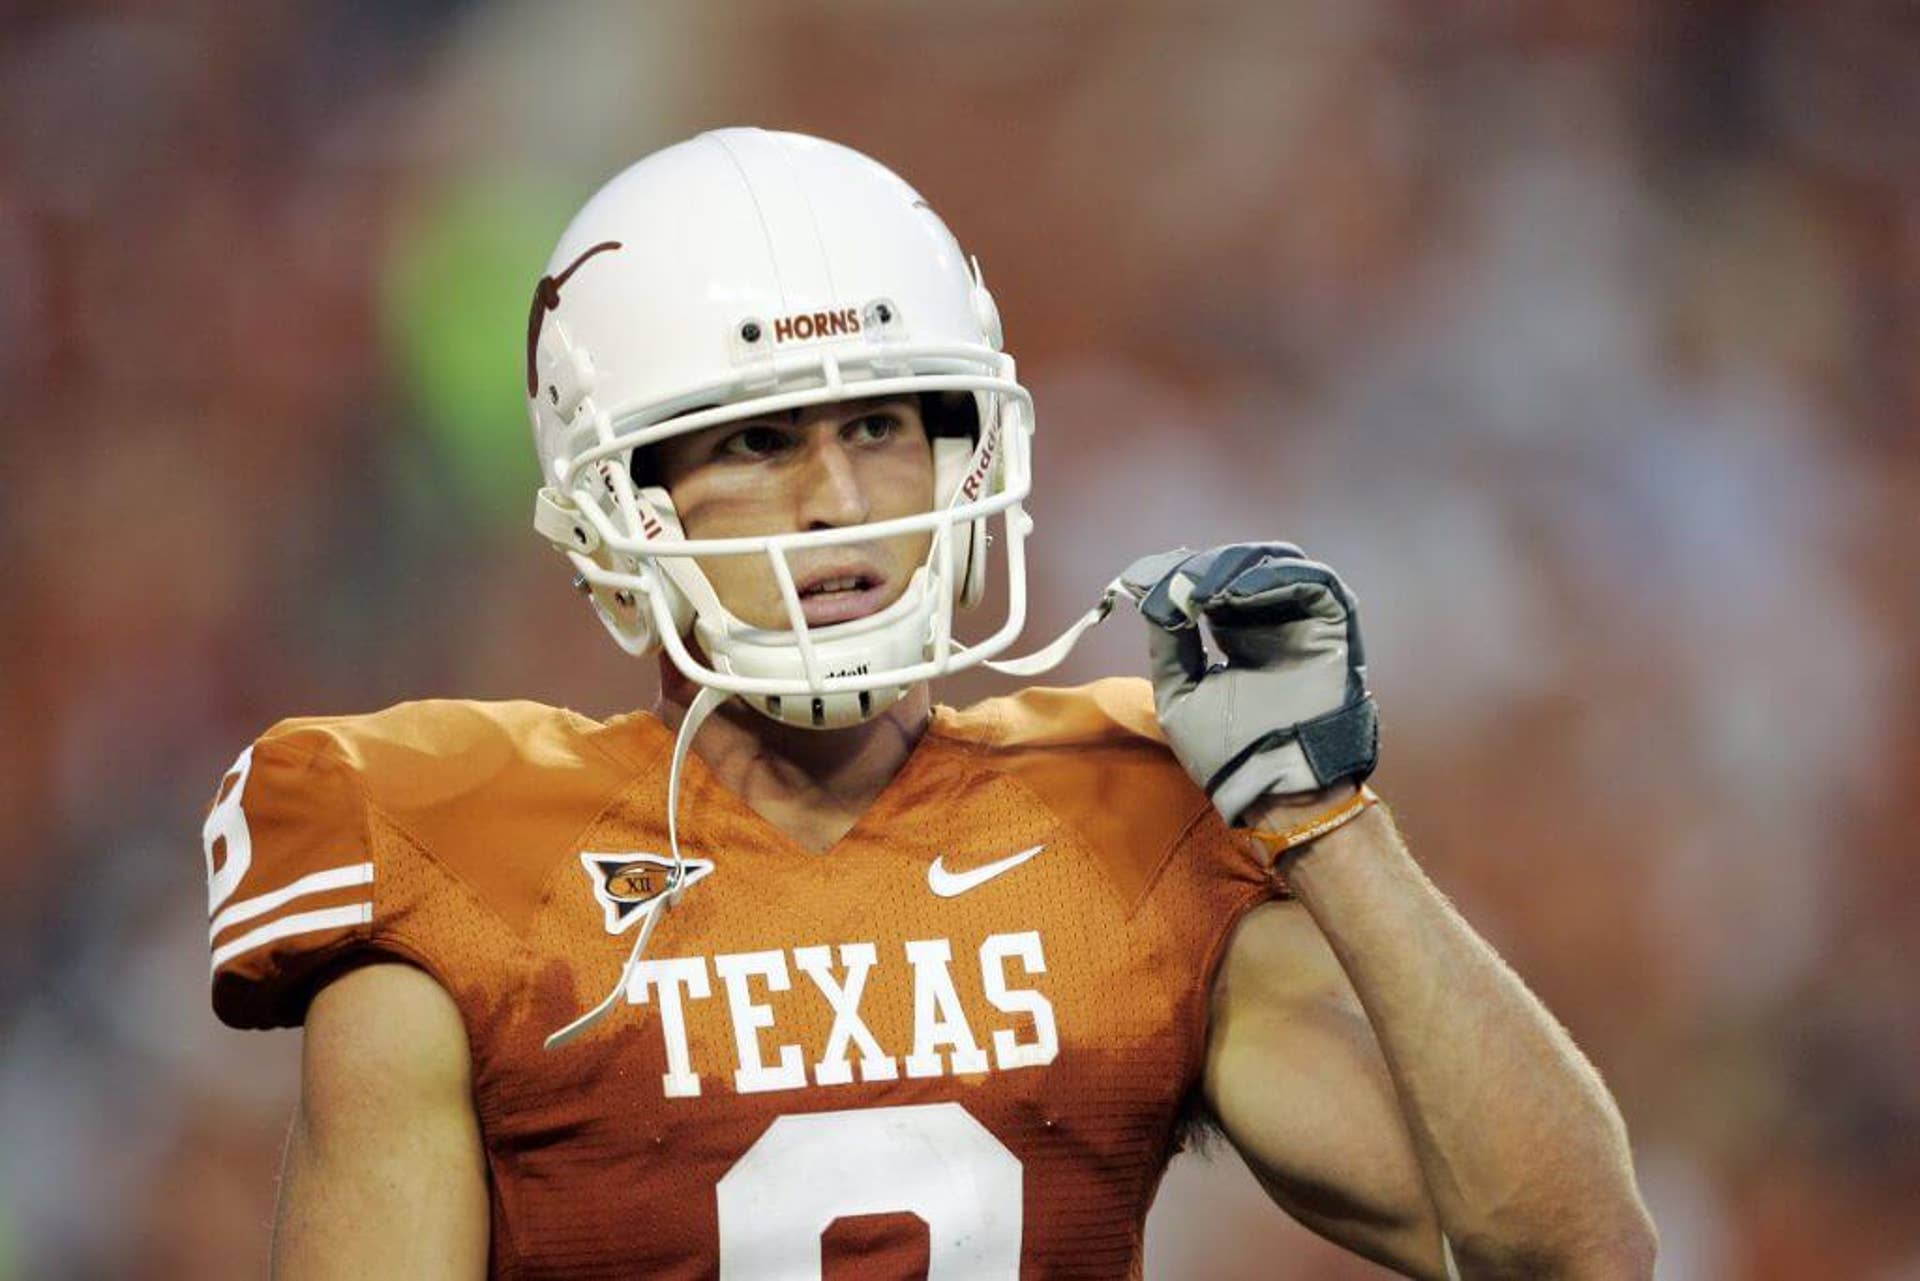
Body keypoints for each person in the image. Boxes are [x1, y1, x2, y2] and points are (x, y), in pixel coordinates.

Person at [199, 128, 1655, 1279]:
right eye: (756, 441)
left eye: (883, 423)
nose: (838, 500)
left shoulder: (1132, 829)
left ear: (969, 453)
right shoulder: (455, 866)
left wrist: (1333, 820)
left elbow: (1569, 1251)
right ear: (620, 504)